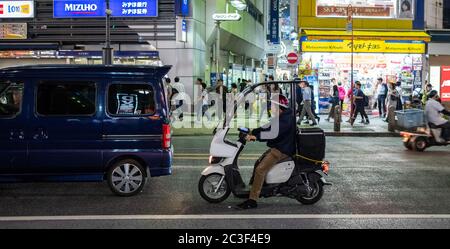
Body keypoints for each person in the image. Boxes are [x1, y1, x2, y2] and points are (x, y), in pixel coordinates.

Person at [236, 94, 296, 209]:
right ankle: (254, 189)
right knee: (258, 162)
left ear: (279, 106)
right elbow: (267, 127)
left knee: (260, 170)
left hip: (282, 150)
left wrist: (255, 137)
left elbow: (272, 133)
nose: (270, 107)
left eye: (272, 105)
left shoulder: (285, 120)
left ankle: (252, 200)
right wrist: (253, 131)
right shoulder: (281, 117)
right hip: (279, 147)